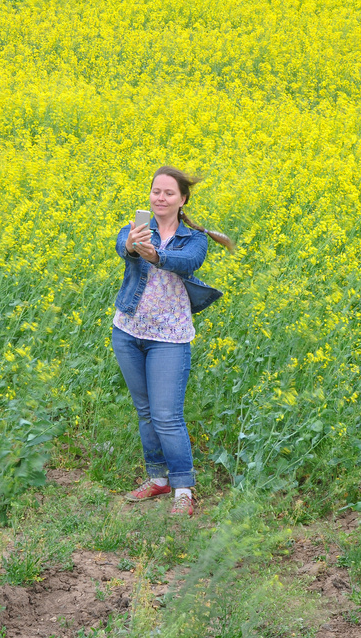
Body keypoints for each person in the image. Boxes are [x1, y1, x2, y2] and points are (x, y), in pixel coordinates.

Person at [112, 165, 235, 517]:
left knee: (167, 416)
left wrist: (157, 255)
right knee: (147, 412)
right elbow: (123, 247)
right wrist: (136, 247)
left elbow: (188, 261)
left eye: (168, 193)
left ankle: (183, 488)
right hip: (128, 331)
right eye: (155, 191)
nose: (160, 198)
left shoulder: (193, 239)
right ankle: (158, 478)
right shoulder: (135, 229)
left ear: (182, 200)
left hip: (169, 338)